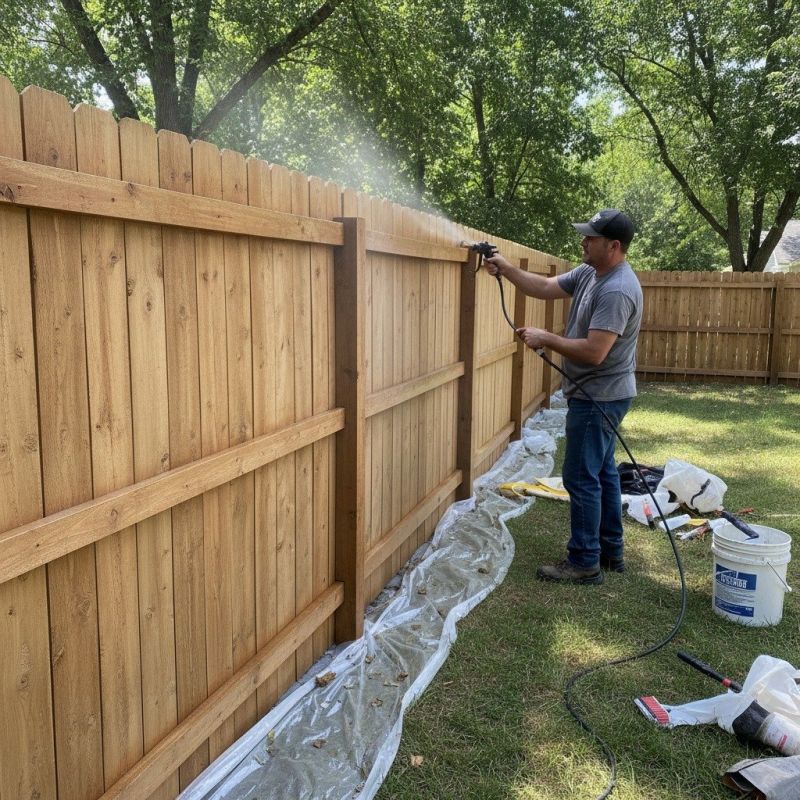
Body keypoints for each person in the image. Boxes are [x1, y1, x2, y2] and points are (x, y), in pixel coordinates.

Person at [485, 209, 643, 585]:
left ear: (614, 246)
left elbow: (594, 351)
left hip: (599, 396)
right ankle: (610, 551)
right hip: (597, 394)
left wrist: (546, 338)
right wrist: (504, 266)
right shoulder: (591, 272)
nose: (583, 242)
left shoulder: (617, 289)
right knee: (602, 473)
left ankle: (584, 560)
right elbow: (542, 287)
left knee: (580, 477)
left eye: (591, 238)